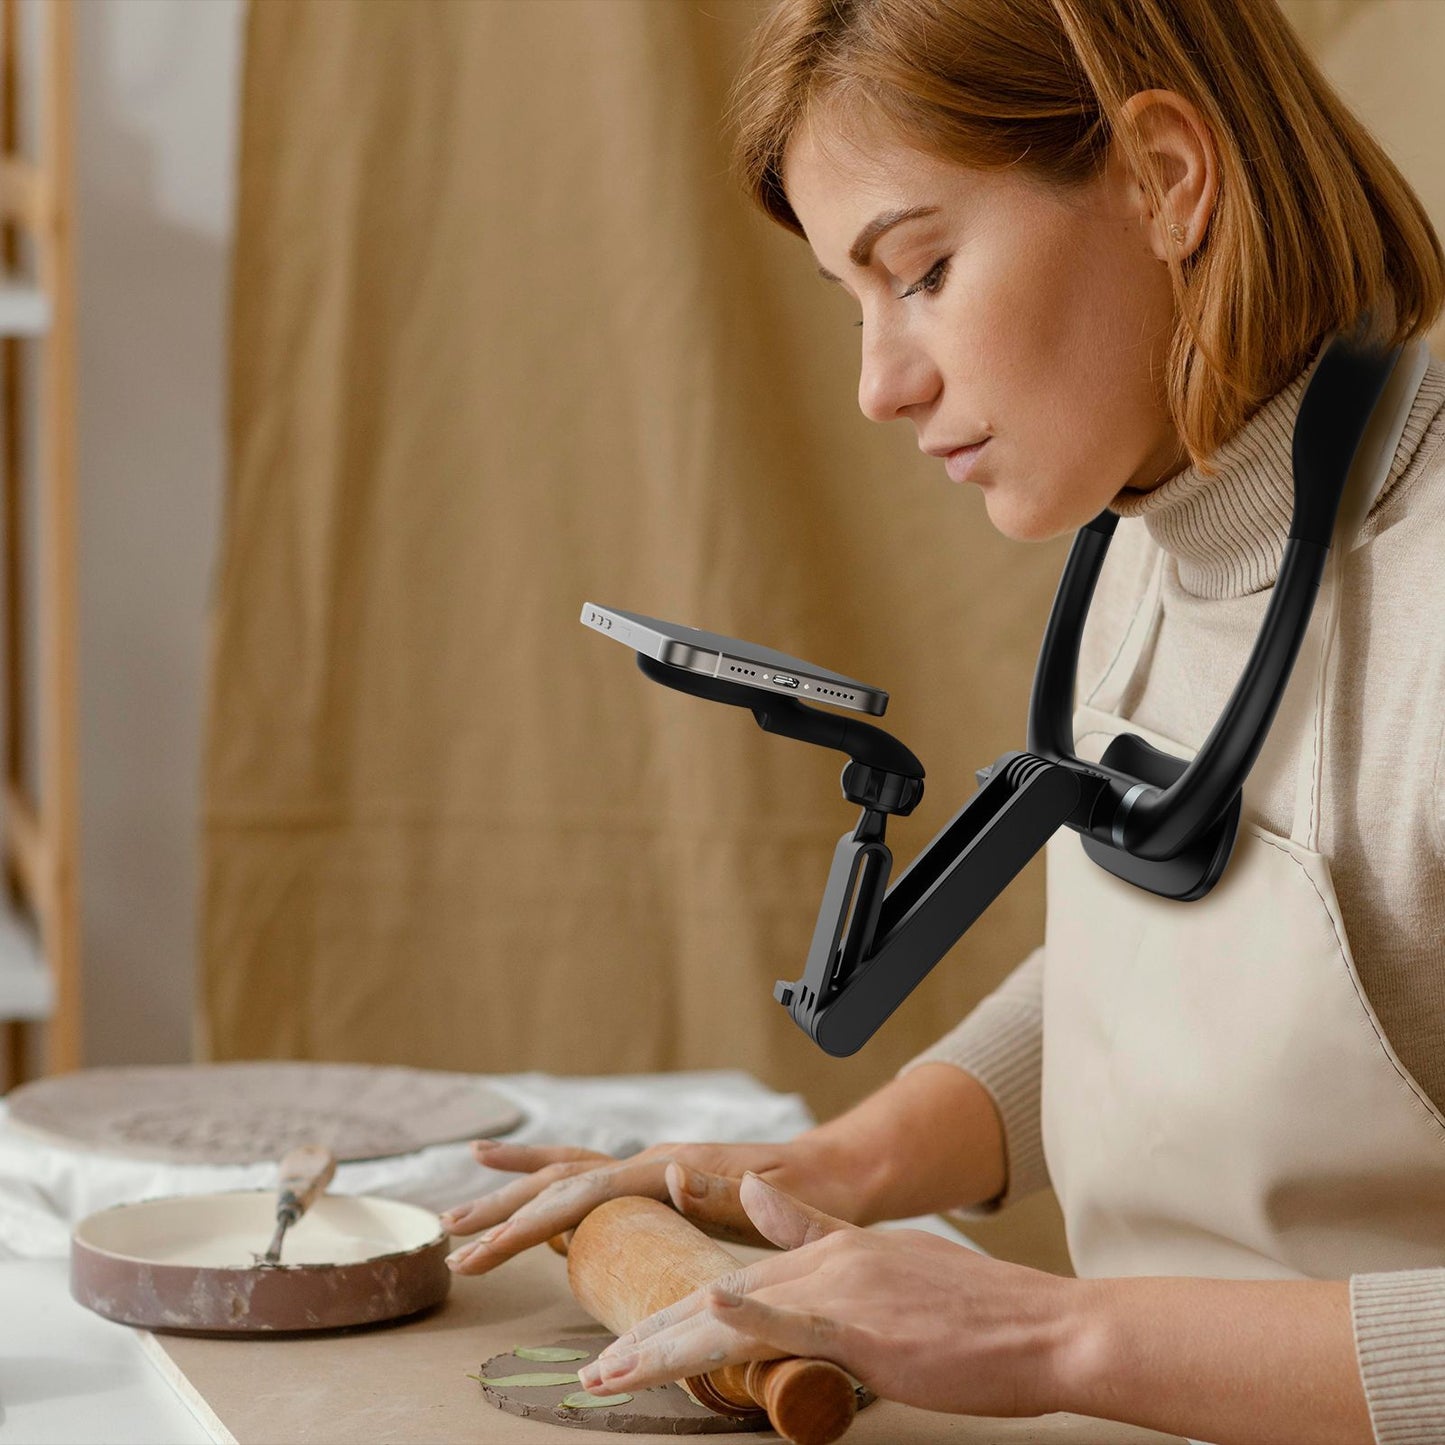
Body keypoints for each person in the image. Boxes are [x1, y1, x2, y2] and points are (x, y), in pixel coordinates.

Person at [442, 3, 1445, 1441]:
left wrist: (1058, 1335)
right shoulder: (1148, 523)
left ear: (1165, 178)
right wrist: (827, 1166)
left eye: (918, 272)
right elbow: (1176, 967)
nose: (878, 384)